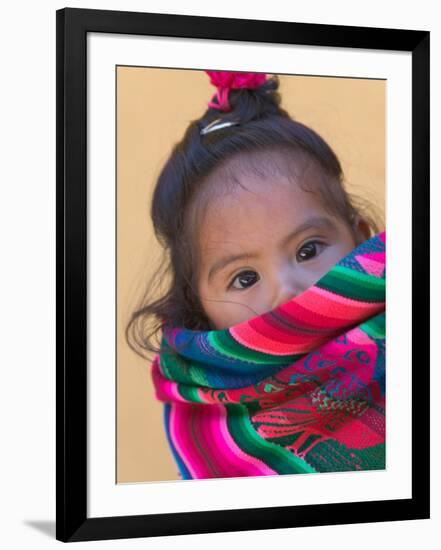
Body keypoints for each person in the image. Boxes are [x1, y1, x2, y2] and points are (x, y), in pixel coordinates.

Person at [126, 71, 386, 480]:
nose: (287, 291)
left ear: (361, 238)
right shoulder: (212, 421)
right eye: (245, 278)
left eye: (308, 250)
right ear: (200, 307)